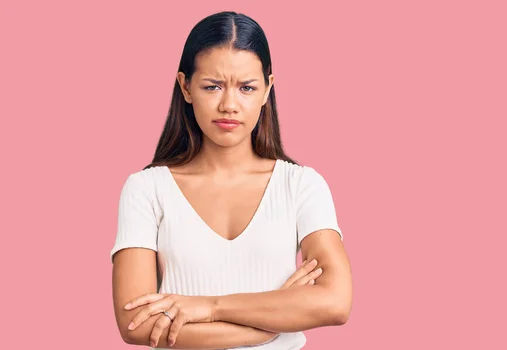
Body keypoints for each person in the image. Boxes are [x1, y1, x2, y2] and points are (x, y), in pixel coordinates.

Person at [110, 11, 352, 350]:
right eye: (212, 86)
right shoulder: (146, 189)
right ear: (186, 87)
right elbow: (136, 324)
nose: (229, 105)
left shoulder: (301, 186)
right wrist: (269, 326)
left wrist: (210, 307)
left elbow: (335, 303)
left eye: (247, 88)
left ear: (267, 89)